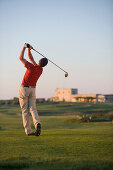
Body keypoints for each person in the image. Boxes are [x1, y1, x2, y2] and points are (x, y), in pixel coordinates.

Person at [19, 43, 48, 136]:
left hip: (24, 89)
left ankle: (28, 131)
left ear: (39, 61)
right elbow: (31, 59)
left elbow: (20, 58)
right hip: (33, 90)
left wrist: (24, 47)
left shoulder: (31, 67)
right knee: (33, 109)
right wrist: (29, 49)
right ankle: (37, 123)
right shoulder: (40, 70)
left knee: (25, 111)